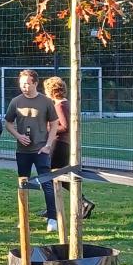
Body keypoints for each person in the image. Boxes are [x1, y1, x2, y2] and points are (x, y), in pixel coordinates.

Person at [4, 70, 59, 232]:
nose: (24, 87)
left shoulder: (46, 101)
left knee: (46, 184)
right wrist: (18, 136)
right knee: (23, 185)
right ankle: (23, 218)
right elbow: (8, 123)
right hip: (22, 151)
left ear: (35, 83)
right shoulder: (15, 101)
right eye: (21, 84)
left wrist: (48, 144)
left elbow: (55, 124)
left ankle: (52, 218)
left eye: (27, 84)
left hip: (41, 150)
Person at [44, 76, 95, 219]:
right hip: (65, 144)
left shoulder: (60, 105)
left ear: (51, 90)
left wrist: (48, 127)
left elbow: (65, 126)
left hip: (60, 143)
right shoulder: (65, 103)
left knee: (51, 174)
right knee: (56, 176)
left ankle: (80, 202)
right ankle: (62, 205)